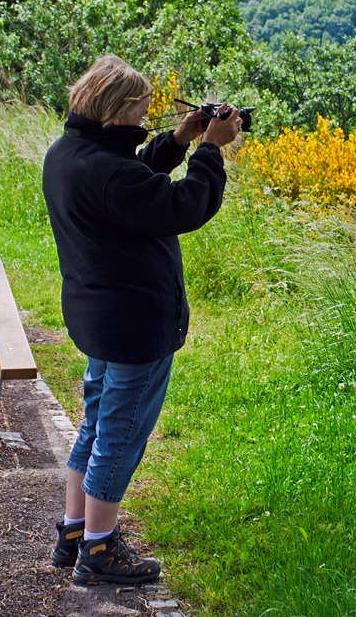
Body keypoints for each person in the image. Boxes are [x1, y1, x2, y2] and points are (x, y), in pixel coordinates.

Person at [42, 54, 242, 585]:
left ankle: (74, 529)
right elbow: (182, 206)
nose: (144, 120)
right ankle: (100, 551)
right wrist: (208, 150)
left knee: (95, 424)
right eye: (139, 112)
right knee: (120, 435)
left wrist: (176, 141)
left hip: (100, 317)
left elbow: (131, 182)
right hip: (134, 324)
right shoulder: (108, 171)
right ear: (114, 113)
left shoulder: (68, 154)